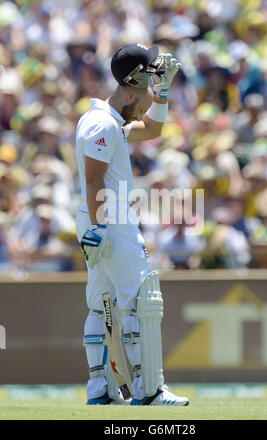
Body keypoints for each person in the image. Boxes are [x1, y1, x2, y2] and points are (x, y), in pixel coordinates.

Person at [75, 43, 189, 406]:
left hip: (99, 220)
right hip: (110, 221)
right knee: (143, 301)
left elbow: (152, 129)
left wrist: (163, 93)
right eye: (146, 92)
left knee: (101, 305)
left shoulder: (105, 121)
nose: (146, 102)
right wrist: (99, 227)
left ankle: (101, 390)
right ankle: (150, 389)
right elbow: (94, 179)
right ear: (130, 87)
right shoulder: (103, 124)